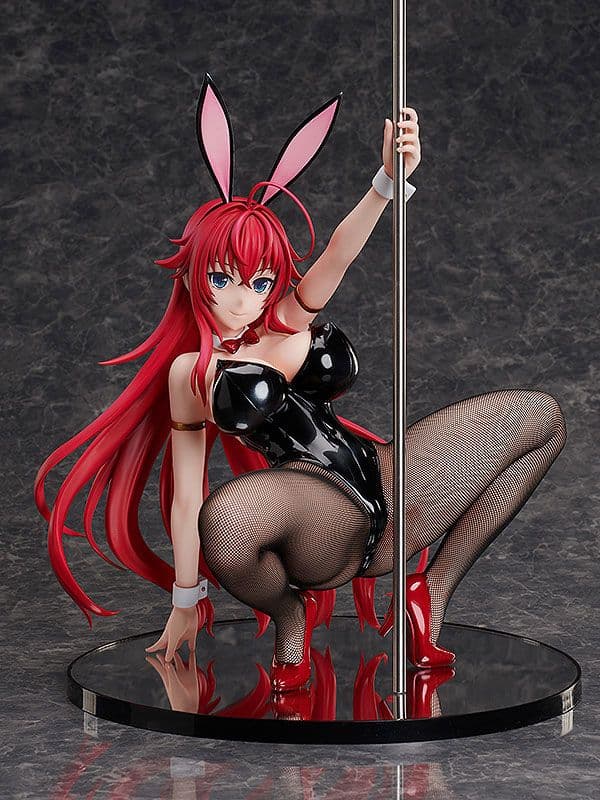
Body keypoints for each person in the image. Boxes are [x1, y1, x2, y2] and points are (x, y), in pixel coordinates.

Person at [35, 75, 567, 693]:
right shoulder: (193, 373)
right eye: (223, 279)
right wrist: (185, 598)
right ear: (192, 275)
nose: (243, 300)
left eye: (260, 281)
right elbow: (186, 496)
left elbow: (339, 254)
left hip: (390, 484)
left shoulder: (287, 318)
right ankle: (290, 619)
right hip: (316, 522)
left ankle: (432, 592)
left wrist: (386, 182)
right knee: (224, 520)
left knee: (543, 418)